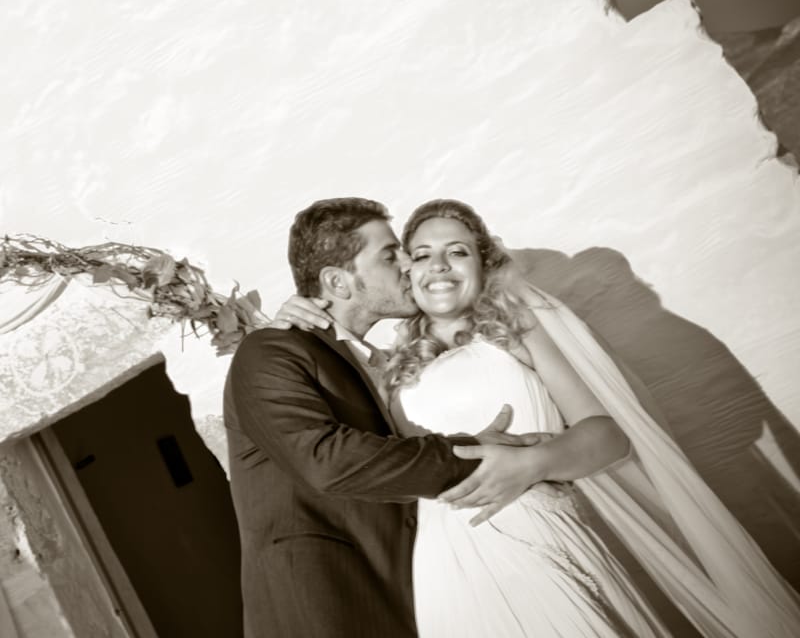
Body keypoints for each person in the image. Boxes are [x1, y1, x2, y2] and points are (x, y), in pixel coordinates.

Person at [278, 198, 800, 638]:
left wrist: (533, 463)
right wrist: (293, 319)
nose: (438, 265)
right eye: (419, 254)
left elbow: (609, 438)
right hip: (447, 565)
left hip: (543, 535)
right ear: (407, 273)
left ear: (483, 265)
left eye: (457, 251)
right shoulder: (389, 365)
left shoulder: (516, 328)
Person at [223, 197, 543, 638]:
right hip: (320, 604)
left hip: (405, 595)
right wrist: (476, 454)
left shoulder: (381, 361)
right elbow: (326, 461)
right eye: (390, 255)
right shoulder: (270, 350)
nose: (408, 264)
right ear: (338, 281)